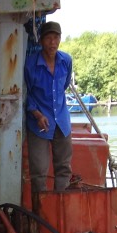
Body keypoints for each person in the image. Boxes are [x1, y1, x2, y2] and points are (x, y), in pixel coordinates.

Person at [24, 20, 73, 201]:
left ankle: (60, 208)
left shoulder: (66, 61)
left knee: (64, 169)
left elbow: (63, 86)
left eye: (56, 38)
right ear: (41, 41)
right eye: (48, 38)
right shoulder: (30, 64)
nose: (53, 42)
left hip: (61, 121)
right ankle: (41, 215)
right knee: (38, 173)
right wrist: (37, 114)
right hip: (38, 124)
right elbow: (26, 94)